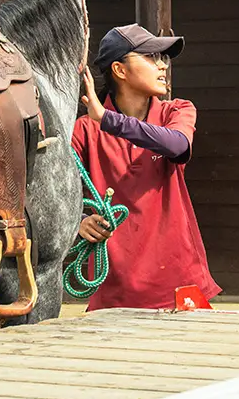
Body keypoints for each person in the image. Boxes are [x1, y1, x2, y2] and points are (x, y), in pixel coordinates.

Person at [70, 24, 221, 310]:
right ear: (120, 70)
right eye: (151, 56)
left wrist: (108, 120)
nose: (162, 66)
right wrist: (77, 222)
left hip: (180, 285)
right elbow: (50, 185)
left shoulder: (176, 111)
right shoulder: (84, 130)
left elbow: (177, 145)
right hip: (114, 293)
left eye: (163, 58)